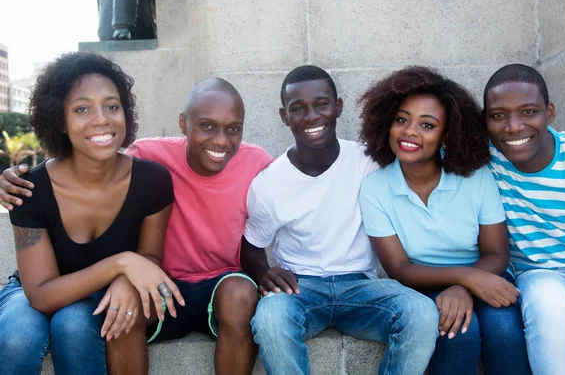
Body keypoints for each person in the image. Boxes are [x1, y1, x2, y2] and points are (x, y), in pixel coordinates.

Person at [0, 77, 273, 374]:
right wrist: (11, 178)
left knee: (78, 324)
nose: (220, 140)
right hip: (128, 281)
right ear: (183, 124)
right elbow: (91, 160)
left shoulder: (253, 163)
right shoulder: (147, 155)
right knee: (36, 331)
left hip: (209, 281)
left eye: (233, 128)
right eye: (207, 125)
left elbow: (295, 189)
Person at [240, 65, 439, 375]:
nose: (311, 116)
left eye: (321, 104)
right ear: (284, 116)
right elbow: (252, 246)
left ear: (338, 107)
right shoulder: (269, 184)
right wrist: (264, 271)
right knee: (269, 318)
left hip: (361, 286)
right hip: (300, 288)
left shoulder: (367, 163)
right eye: (298, 108)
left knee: (422, 312)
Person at [0, 52, 183, 375]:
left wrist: (128, 276)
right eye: (82, 109)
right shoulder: (29, 189)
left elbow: (150, 258)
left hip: (102, 293)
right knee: (17, 336)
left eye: (112, 106)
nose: (101, 119)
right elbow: (41, 294)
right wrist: (120, 263)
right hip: (35, 289)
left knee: (74, 325)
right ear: (60, 120)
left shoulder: (152, 181)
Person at [357, 66, 530, 375]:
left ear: (447, 135)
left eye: (427, 125)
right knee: (458, 333)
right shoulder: (375, 188)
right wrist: (462, 280)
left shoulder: (476, 178)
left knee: (505, 332)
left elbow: (496, 253)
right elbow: (399, 268)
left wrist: (466, 284)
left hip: (487, 274)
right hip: (423, 283)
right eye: (402, 120)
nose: (410, 131)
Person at [483, 63, 565, 375]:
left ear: (549, 112)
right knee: (549, 304)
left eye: (528, 112)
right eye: (498, 115)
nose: (513, 126)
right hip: (548, 280)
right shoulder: (483, 162)